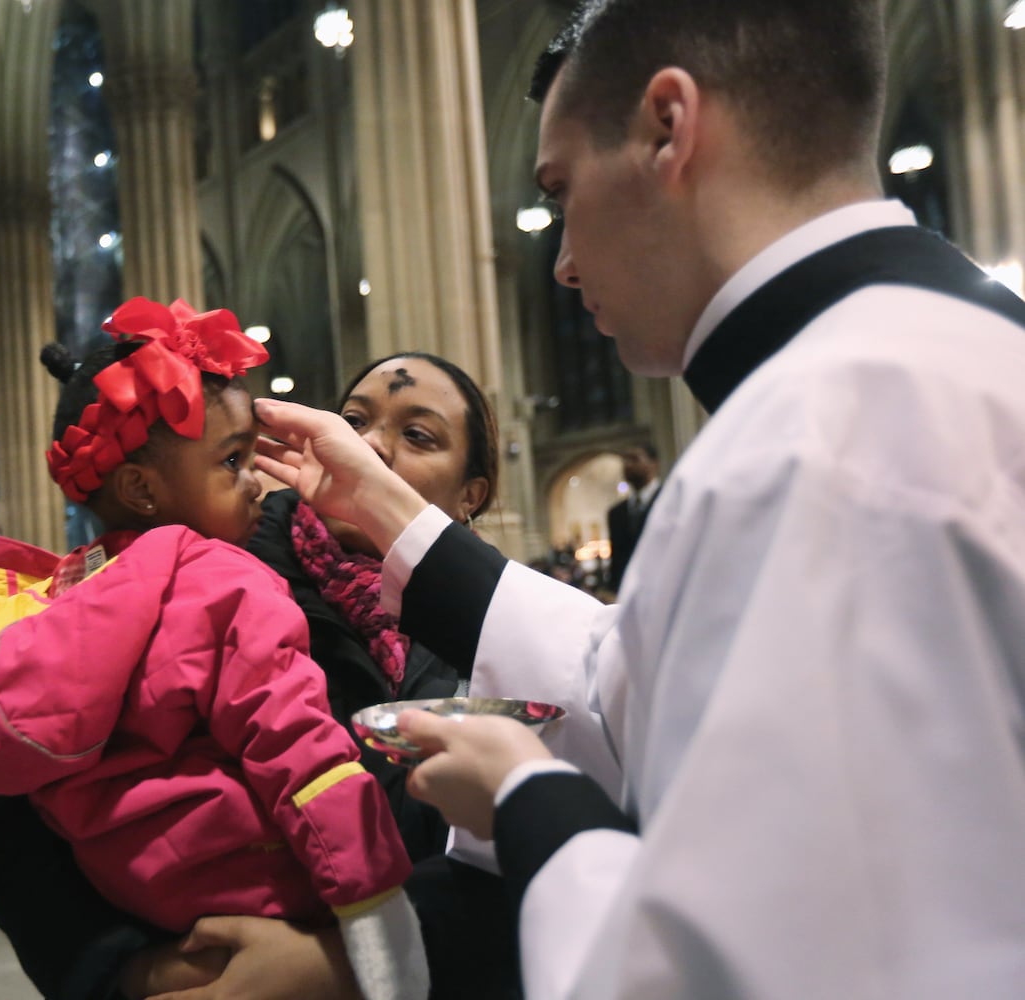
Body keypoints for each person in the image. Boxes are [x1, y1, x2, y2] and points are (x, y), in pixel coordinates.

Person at [252, 1, 1025, 997]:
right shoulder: (943, 349)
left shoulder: (818, 435)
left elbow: (744, 970)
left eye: (562, 190)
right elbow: (630, 678)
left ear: (669, 127)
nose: (564, 261)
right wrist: (392, 513)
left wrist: (529, 799)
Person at [0, 350, 520, 1000]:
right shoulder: (207, 575)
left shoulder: (508, 629)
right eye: (353, 421)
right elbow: (36, 827)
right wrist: (132, 971)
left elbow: (533, 851)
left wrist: (342, 963)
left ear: (472, 494)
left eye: (417, 435)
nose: (370, 447)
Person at [604, 443, 658, 593]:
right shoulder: (616, 513)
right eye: (625, 460)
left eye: (634, 459)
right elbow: (617, 559)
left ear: (653, 463)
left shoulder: (669, 501)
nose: (628, 465)